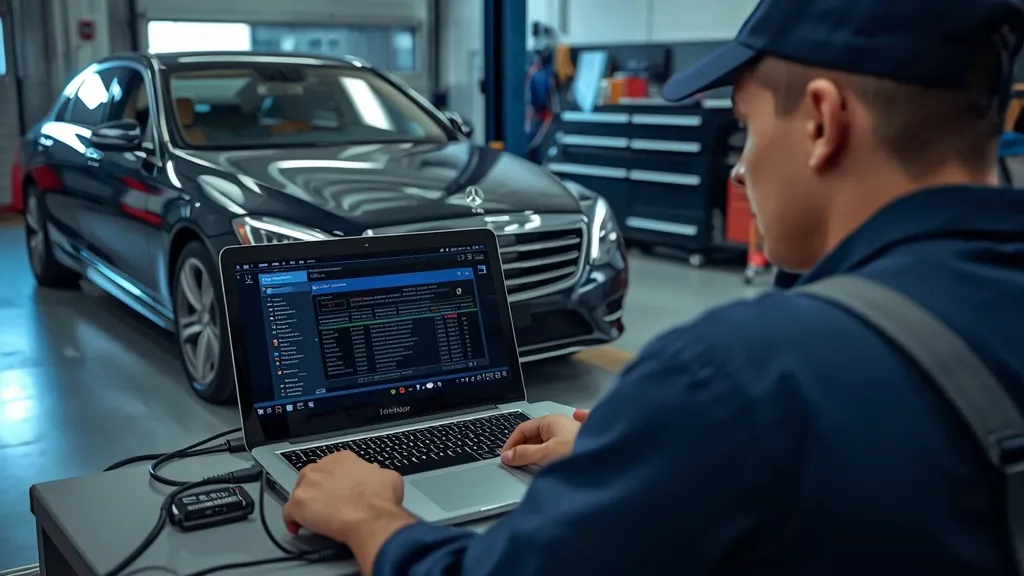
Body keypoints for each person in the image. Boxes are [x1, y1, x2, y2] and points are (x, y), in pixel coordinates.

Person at [282, 0, 1024, 573]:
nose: (739, 169)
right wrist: (643, 450)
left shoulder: (739, 374)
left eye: (746, 131)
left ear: (824, 123)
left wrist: (370, 520)